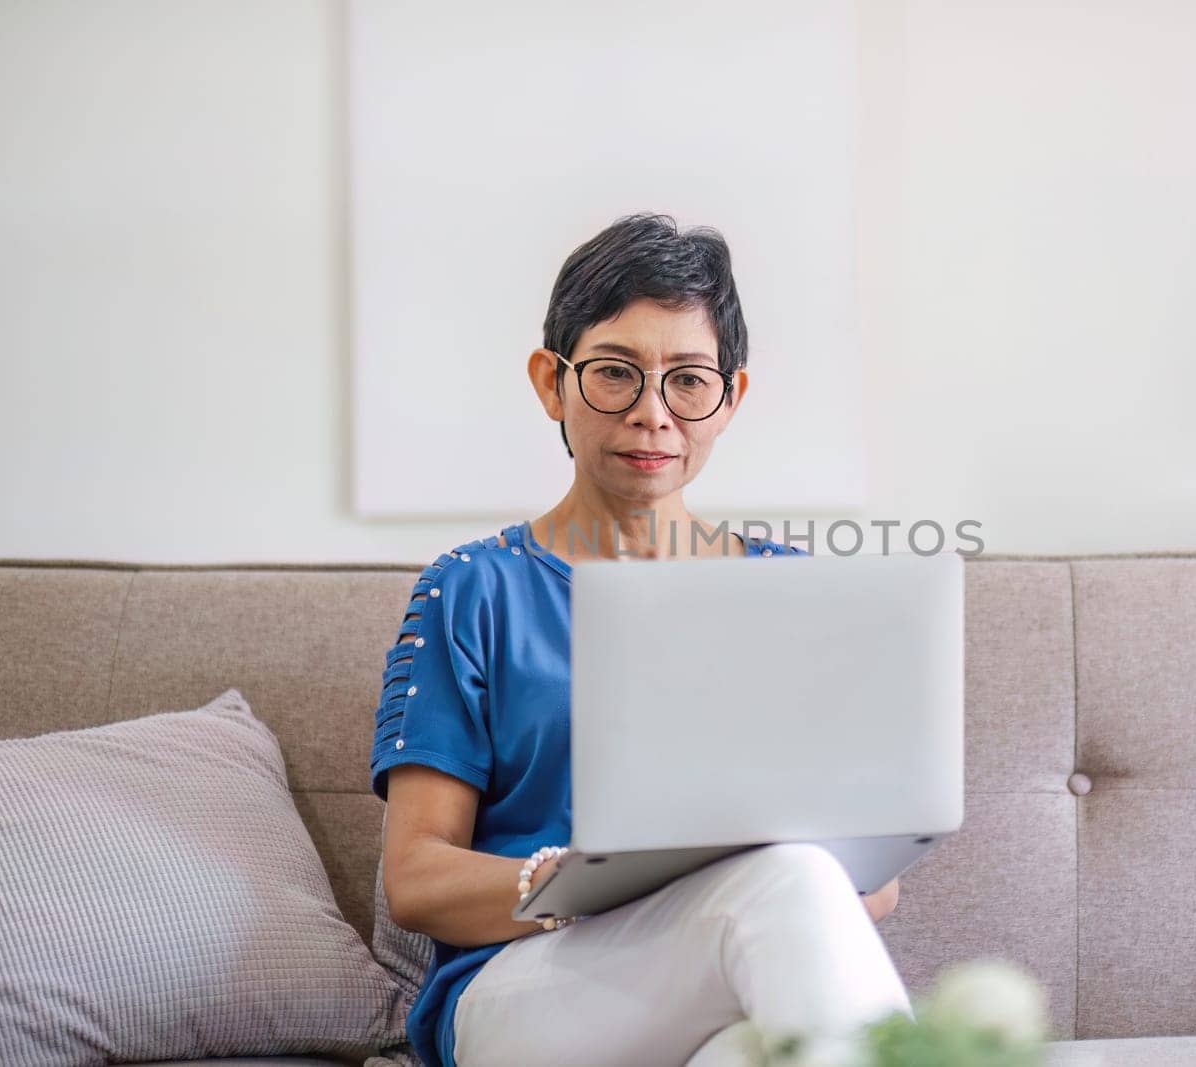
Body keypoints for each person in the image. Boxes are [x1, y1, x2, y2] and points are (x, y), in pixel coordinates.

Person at [369, 213, 911, 1067]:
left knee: (752, 1049)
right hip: (519, 986)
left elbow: (870, 889)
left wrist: (712, 879)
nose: (653, 414)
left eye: (688, 381)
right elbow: (417, 879)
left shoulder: (792, 593)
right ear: (552, 383)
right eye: (617, 374)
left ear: (730, 398)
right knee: (785, 884)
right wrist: (597, 879)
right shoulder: (471, 589)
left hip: (731, 966)